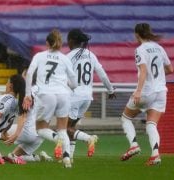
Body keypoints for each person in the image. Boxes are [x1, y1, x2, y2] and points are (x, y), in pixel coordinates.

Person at [120, 23, 173, 165]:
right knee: (151, 124)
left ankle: (134, 145)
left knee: (126, 118)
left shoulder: (140, 50)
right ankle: (155, 155)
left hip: (146, 92)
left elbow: (143, 71)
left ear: (137, 34)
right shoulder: (159, 48)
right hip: (161, 92)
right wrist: (159, 76)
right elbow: (170, 69)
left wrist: (138, 91)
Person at [23, 29, 77, 168]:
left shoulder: (40, 56)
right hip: (63, 95)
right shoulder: (65, 59)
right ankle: (66, 158)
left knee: (40, 129)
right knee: (62, 129)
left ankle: (56, 140)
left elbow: (29, 74)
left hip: (46, 94)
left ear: (47, 42)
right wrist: (66, 84)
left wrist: (28, 94)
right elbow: (75, 83)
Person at [65, 29, 116, 162]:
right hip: (87, 97)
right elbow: (102, 74)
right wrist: (110, 90)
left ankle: (88, 138)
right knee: (71, 128)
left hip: (73, 97)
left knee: (64, 128)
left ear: (71, 41)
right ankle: (70, 156)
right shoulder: (90, 55)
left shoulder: (68, 56)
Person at [2, 69, 53, 163]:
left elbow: (23, 116)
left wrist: (15, 134)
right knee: (11, 156)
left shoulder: (26, 92)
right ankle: (37, 158)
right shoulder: (44, 91)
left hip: (26, 131)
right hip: (40, 134)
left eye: (22, 76)